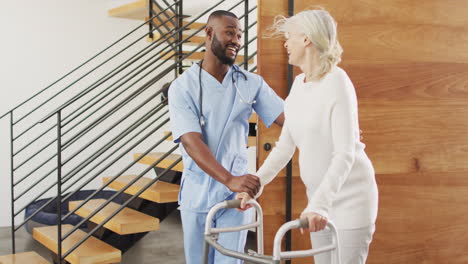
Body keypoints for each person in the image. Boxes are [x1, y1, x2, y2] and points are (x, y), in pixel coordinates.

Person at [236, 8, 379, 264]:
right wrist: (254, 185)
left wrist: (320, 205)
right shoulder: (299, 85)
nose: (285, 43)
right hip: (318, 201)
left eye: (290, 36)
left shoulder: (337, 82)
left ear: (306, 39)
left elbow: (345, 153)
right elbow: (285, 147)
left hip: (350, 200)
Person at [168, 10, 285, 264]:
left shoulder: (250, 83)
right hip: (198, 193)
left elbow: (288, 118)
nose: (236, 40)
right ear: (208, 34)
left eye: (240, 35)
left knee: (232, 261)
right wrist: (228, 179)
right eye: (229, 32)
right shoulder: (183, 87)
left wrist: (330, 125)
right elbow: (191, 141)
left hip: (236, 196)